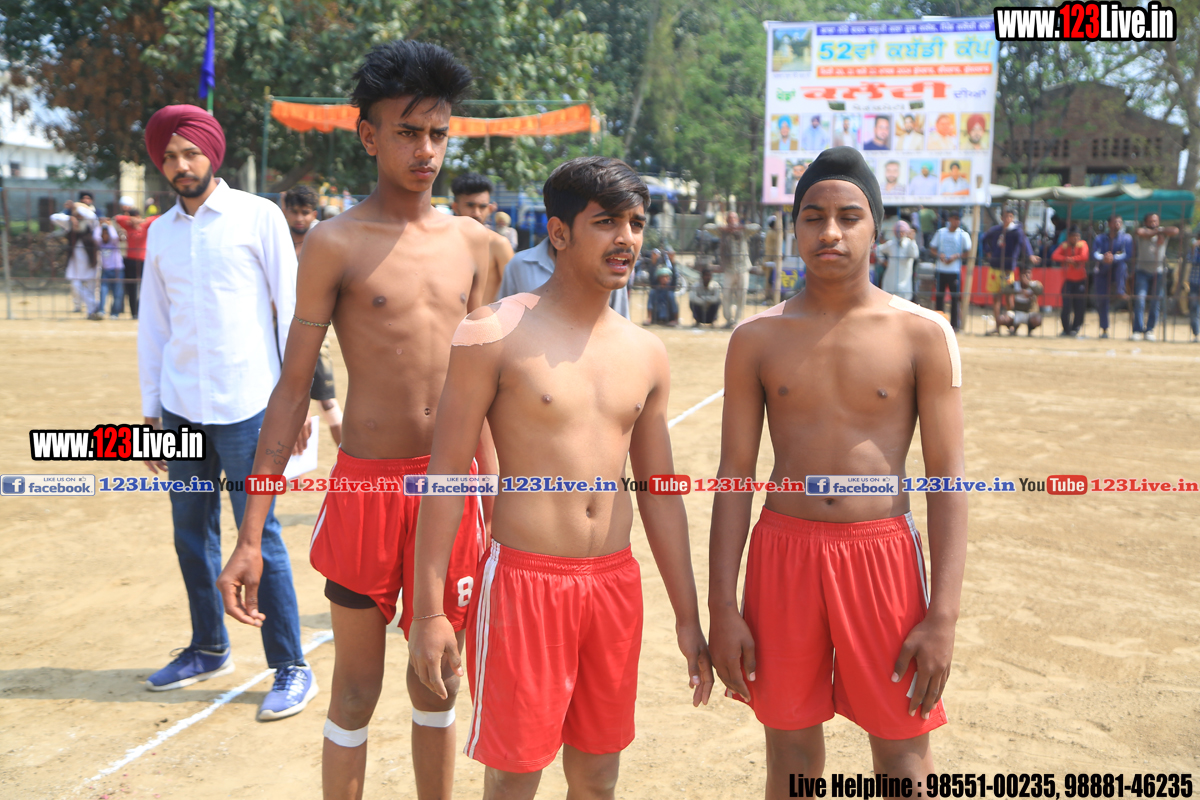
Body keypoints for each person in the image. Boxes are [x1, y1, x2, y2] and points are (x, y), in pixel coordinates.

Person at [215, 41, 492, 799]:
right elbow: (290, 390)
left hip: (452, 489)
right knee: (355, 691)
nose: (426, 150)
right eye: (407, 132)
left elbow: (486, 391)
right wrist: (250, 534)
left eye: (438, 133)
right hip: (367, 490)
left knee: (439, 679)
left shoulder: (476, 246)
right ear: (369, 135)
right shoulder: (333, 243)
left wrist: (496, 496)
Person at [408, 155, 713, 800]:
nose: (626, 239)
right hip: (524, 583)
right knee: (514, 776)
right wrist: (430, 611)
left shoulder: (646, 352)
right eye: (606, 222)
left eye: (636, 223)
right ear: (560, 232)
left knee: (598, 777)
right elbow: (447, 475)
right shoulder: (492, 333)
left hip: (614, 585)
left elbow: (660, 496)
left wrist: (689, 617)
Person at [708, 146, 966, 797]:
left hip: (881, 557)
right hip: (783, 557)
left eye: (849, 217)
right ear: (793, 227)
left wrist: (943, 616)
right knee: (791, 756)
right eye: (814, 217)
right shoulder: (756, 338)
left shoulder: (923, 334)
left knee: (902, 756)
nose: (830, 232)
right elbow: (735, 477)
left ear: (877, 228)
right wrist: (722, 606)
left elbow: (947, 480)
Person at [137, 104, 315, 720]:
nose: (181, 165)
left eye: (190, 152)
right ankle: (209, 647)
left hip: (250, 407)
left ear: (212, 153)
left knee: (259, 534)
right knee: (190, 533)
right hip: (180, 410)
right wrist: (151, 412)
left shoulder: (258, 216)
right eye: (169, 157)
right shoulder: (160, 233)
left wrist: (297, 402)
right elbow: (154, 327)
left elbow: (294, 311)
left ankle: (290, 665)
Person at [283, 185, 345, 447]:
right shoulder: (277, 240)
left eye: (305, 212)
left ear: (314, 213)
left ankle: (346, 457)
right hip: (277, 330)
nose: (300, 218)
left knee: (327, 400)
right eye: (295, 212)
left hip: (313, 331)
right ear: (285, 211)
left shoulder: (322, 241)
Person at [499, 230, 631, 318]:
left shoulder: (610, 269)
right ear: (558, 231)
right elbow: (503, 322)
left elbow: (621, 329)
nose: (628, 239)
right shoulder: (520, 265)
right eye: (603, 222)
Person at [451, 172, 515, 302]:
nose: (476, 213)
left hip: (488, 314)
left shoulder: (498, 244)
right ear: (455, 207)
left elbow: (516, 293)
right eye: (470, 205)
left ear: (490, 208)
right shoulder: (443, 243)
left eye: (482, 207)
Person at [1131, 212, 1179, 341]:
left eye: (1155, 221)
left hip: (1158, 272)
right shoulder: (1143, 232)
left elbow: (1175, 230)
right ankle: (1137, 330)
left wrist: (1159, 231)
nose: (1153, 223)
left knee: (1155, 302)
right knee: (1140, 300)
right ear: (1145, 222)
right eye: (1150, 221)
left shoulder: (1163, 231)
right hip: (1142, 271)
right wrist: (1157, 232)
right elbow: (1140, 232)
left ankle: (1150, 330)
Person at [50, 200, 100, 317]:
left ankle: (91, 312)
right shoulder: (70, 224)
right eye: (76, 215)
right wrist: (69, 217)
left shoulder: (90, 223)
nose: (78, 218)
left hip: (90, 261)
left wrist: (77, 207)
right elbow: (53, 217)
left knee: (91, 288)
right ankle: (93, 305)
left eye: (79, 215)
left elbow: (91, 216)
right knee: (76, 286)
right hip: (75, 263)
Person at [982, 207, 1039, 300]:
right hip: (995, 266)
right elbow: (983, 239)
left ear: (1013, 218)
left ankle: (1010, 310)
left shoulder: (1017, 232)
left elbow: (1024, 242)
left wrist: (1030, 255)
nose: (1008, 219)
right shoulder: (995, 230)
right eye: (1005, 216)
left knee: (1009, 295)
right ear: (1001, 218)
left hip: (1008, 268)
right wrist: (988, 251)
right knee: (996, 297)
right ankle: (997, 311)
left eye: (1010, 216)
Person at [115, 197, 158, 319]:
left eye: (136, 216)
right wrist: (131, 220)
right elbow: (118, 218)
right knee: (131, 287)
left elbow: (158, 217)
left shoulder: (146, 226)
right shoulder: (128, 226)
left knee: (146, 287)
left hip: (143, 260)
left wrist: (142, 221)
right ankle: (134, 312)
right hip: (130, 260)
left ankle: (144, 310)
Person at [928, 210, 971, 331]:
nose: (957, 221)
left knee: (955, 298)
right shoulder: (941, 232)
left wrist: (956, 256)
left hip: (954, 270)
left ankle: (954, 325)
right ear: (950, 219)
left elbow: (968, 252)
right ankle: (939, 323)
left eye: (958, 219)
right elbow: (932, 248)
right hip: (941, 269)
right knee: (939, 297)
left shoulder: (963, 234)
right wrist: (939, 255)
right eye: (954, 218)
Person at [1090, 215, 1132, 339]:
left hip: (1118, 270)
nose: (1117, 224)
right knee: (1102, 300)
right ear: (1109, 224)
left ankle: (1120, 290)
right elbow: (1094, 253)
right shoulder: (1100, 238)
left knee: (1122, 265)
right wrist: (1104, 258)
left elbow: (1127, 254)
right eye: (1114, 222)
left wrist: (1114, 258)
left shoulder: (1126, 238)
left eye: (1119, 222)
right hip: (1103, 270)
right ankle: (1104, 328)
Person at [716, 211, 759, 327]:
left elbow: (756, 227)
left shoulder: (744, 232)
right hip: (729, 269)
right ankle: (728, 319)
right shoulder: (723, 232)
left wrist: (742, 227)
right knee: (726, 294)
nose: (732, 221)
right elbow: (708, 227)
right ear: (727, 221)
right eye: (729, 219)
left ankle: (737, 320)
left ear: (737, 220)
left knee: (741, 295)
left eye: (734, 218)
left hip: (743, 268)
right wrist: (724, 228)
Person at [1052, 225, 1089, 337]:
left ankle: (1075, 328)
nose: (1075, 238)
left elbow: (1084, 256)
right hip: (1068, 280)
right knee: (1066, 306)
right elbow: (1055, 256)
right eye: (1073, 236)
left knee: (1079, 306)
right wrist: (1067, 259)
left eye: (1077, 236)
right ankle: (1066, 329)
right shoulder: (1064, 246)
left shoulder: (1083, 244)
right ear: (1069, 237)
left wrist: (1070, 259)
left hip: (1080, 280)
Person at [996, 266, 1044, 335]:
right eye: (1024, 273)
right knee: (1001, 319)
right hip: (1017, 312)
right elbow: (1005, 290)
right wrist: (1019, 292)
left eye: (1028, 273)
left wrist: (1028, 284)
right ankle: (1013, 327)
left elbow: (1040, 291)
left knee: (1037, 320)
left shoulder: (1034, 284)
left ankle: (1030, 329)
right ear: (1020, 275)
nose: (1026, 275)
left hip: (1030, 313)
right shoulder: (1015, 285)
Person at [879, 220, 919, 300]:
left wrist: (912, 240)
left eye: (903, 231)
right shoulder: (891, 243)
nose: (900, 234)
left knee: (904, 301)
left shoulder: (909, 243)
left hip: (904, 279)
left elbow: (915, 255)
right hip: (891, 278)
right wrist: (883, 261)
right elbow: (878, 250)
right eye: (898, 232)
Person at [94, 218, 124, 319]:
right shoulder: (101, 244)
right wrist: (99, 226)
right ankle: (101, 311)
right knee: (103, 291)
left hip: (117, 270)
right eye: (103, 234)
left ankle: (115, 313)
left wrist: (109, 225)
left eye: (107, 233)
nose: (105, 235)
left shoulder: (114, 243)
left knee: (117, 293)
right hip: (106, 271)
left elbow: (114, 236)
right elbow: (95, 237)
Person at [1186, 232, 1200, 343]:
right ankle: (1196, 334)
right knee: (1194, 308)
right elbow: (1191, 260)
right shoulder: (1195, 248)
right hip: (1195, 282)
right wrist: (1194, 247)